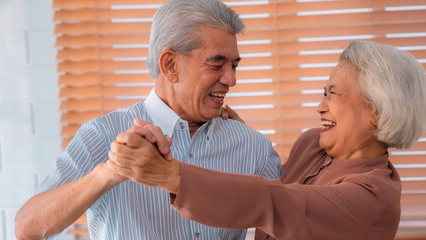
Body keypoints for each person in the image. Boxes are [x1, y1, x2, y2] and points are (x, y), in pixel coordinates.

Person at [107, 41, 426, 240]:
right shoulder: (314, 144)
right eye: (323, 92)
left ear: (376, 110)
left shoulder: (373, 199)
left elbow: (275, 203)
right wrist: (242, 135)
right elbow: (283, 186)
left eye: (334, 94)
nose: (321, 106)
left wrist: (170, 175)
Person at [14, 0, 282, 239]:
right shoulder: (103, 134)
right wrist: (112, 170)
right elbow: (28, 227)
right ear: (170, 65)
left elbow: (288, 225)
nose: (231, 80)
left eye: (234, 65)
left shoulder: (253, 147)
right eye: (216, 64)